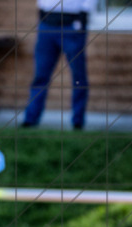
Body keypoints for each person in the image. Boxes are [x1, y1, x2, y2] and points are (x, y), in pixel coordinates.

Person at [22, 0, 94, 131]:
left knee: (78, 77)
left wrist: (85, 12)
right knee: (40, 76)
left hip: (72, 24)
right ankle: (30, 120)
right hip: (47, 23)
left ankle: (78, 122)